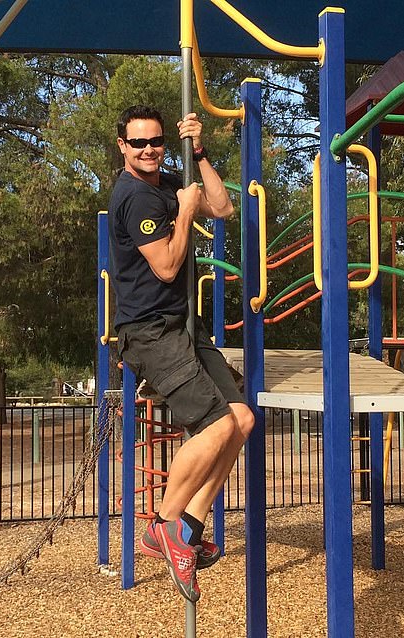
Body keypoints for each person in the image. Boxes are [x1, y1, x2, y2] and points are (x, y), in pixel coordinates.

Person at [108, 105, 255, 602]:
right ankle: (165, 527)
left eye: (156, 141)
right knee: (215, 426)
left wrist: (201, 153)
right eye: (138, 143)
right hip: (149, 331)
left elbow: (223, 207)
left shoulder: (166, 179)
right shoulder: (134, 198)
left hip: (182, 328)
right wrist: (185, 211)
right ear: (122, 147)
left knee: (242, 420)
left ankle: (189, 527)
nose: (148, 149)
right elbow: (168, 267)